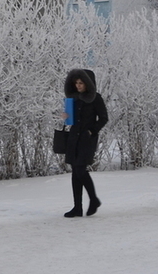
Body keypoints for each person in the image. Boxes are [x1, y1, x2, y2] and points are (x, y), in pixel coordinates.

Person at [62, 68, 107, 218]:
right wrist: (66, 116)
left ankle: (94, 200)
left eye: (81, 83)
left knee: (80, 170)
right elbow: (72, 120)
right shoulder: (73, 99)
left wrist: (92, 131)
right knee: (75, 173)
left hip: (87, 140)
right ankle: (77, 208)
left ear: (88, 83)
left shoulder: (96, 99)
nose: (78, 86)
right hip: (73, 138)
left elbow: (103, 118)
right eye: (76, 83)